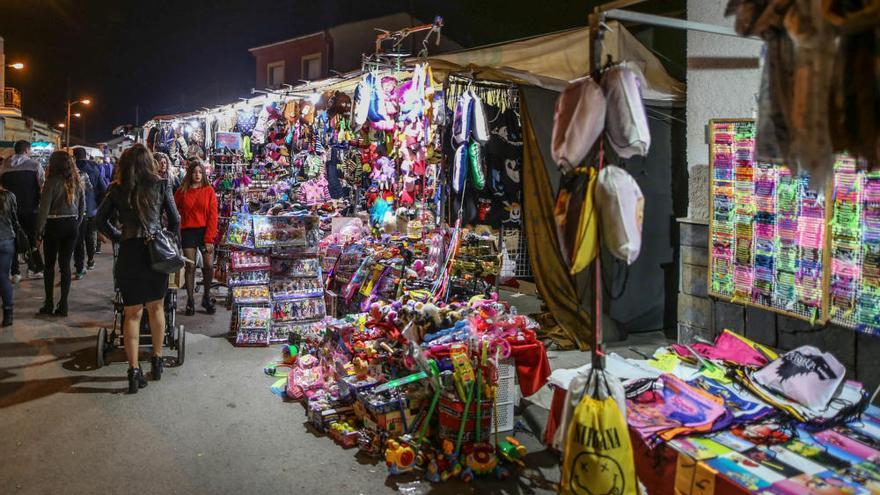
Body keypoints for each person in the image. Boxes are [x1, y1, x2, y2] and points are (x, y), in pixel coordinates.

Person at [96, 143, 180, 393]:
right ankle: (156, 360)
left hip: (129, 253)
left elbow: (99, 220)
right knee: (156, 308)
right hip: (155, 253)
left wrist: (119, 236)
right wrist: (169, 241)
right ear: (149, 163)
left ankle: (133, 371)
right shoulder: (161, 184)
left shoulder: (117, 189)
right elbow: (175, 219)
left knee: (131, 313)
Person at [35, 151, 85, 317]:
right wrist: (75, 225)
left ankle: (48, 303)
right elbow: (82, 208)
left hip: (54, 225)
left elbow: (44, 209)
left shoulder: (51, 182)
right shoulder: (77, 181)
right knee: (65, 266)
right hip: (71, 225)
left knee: (49, 266)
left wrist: (39, 232)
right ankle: (63, 305)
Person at [174, 158, 218, 316]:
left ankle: (206, 296)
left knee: (208, 265)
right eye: (194, 172)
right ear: (190, 173)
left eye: (200, 172)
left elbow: (213, 216)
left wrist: (209, 239)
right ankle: (190, 300)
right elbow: (172, 208)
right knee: (190, 267)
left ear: (203, 174)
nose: (197, 175)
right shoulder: (182, 191)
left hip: (205, 231)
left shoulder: (209, 191)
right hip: (188, 232)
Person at [0, 140, 44, 281]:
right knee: (31, 239)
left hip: (9, 210)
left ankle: (15, 272)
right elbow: (42, 185)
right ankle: (34, 268)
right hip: (30, 209)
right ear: (27, 150)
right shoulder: (35, 165)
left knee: (13, 239)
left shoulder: (4, 166)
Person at [72, 147, 107, 278]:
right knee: (90, 236)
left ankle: (79, 266)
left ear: (74, 156)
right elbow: (103, 188)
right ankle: (91, 261)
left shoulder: (70, 169)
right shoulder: (95, 169)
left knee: (78, 239)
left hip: (75, 209)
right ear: (86, 155)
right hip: (91, 208)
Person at [0, 185, 20, 326]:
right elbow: (14, 218)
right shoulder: (9, 195)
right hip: (7, 240)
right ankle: (8, 313)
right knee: (3, 277)